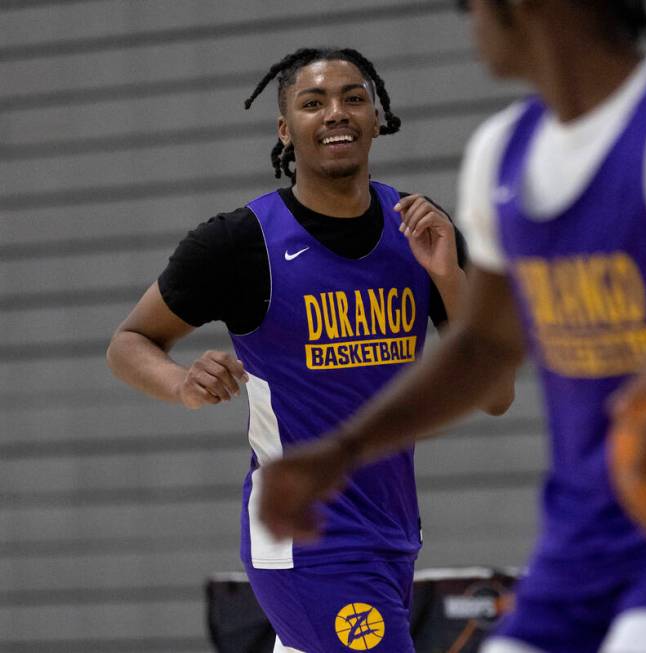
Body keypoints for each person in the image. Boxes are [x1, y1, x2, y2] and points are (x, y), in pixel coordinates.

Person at [257, 2, 646, 652]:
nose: (470, 23)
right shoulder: (503, 153)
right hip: (583, 537)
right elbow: (482, 347)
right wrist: (343, 451)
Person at [106, 46, 514, 653]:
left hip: (392, 529)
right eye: (313, 102)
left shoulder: (421, 231)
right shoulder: (240, 243)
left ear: (377, 117)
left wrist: (450, 275)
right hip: (304, 539)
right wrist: (181, 383)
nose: (336, 113)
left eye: (353, 97)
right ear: (286, 129)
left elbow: (496, 396)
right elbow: (129, 341)